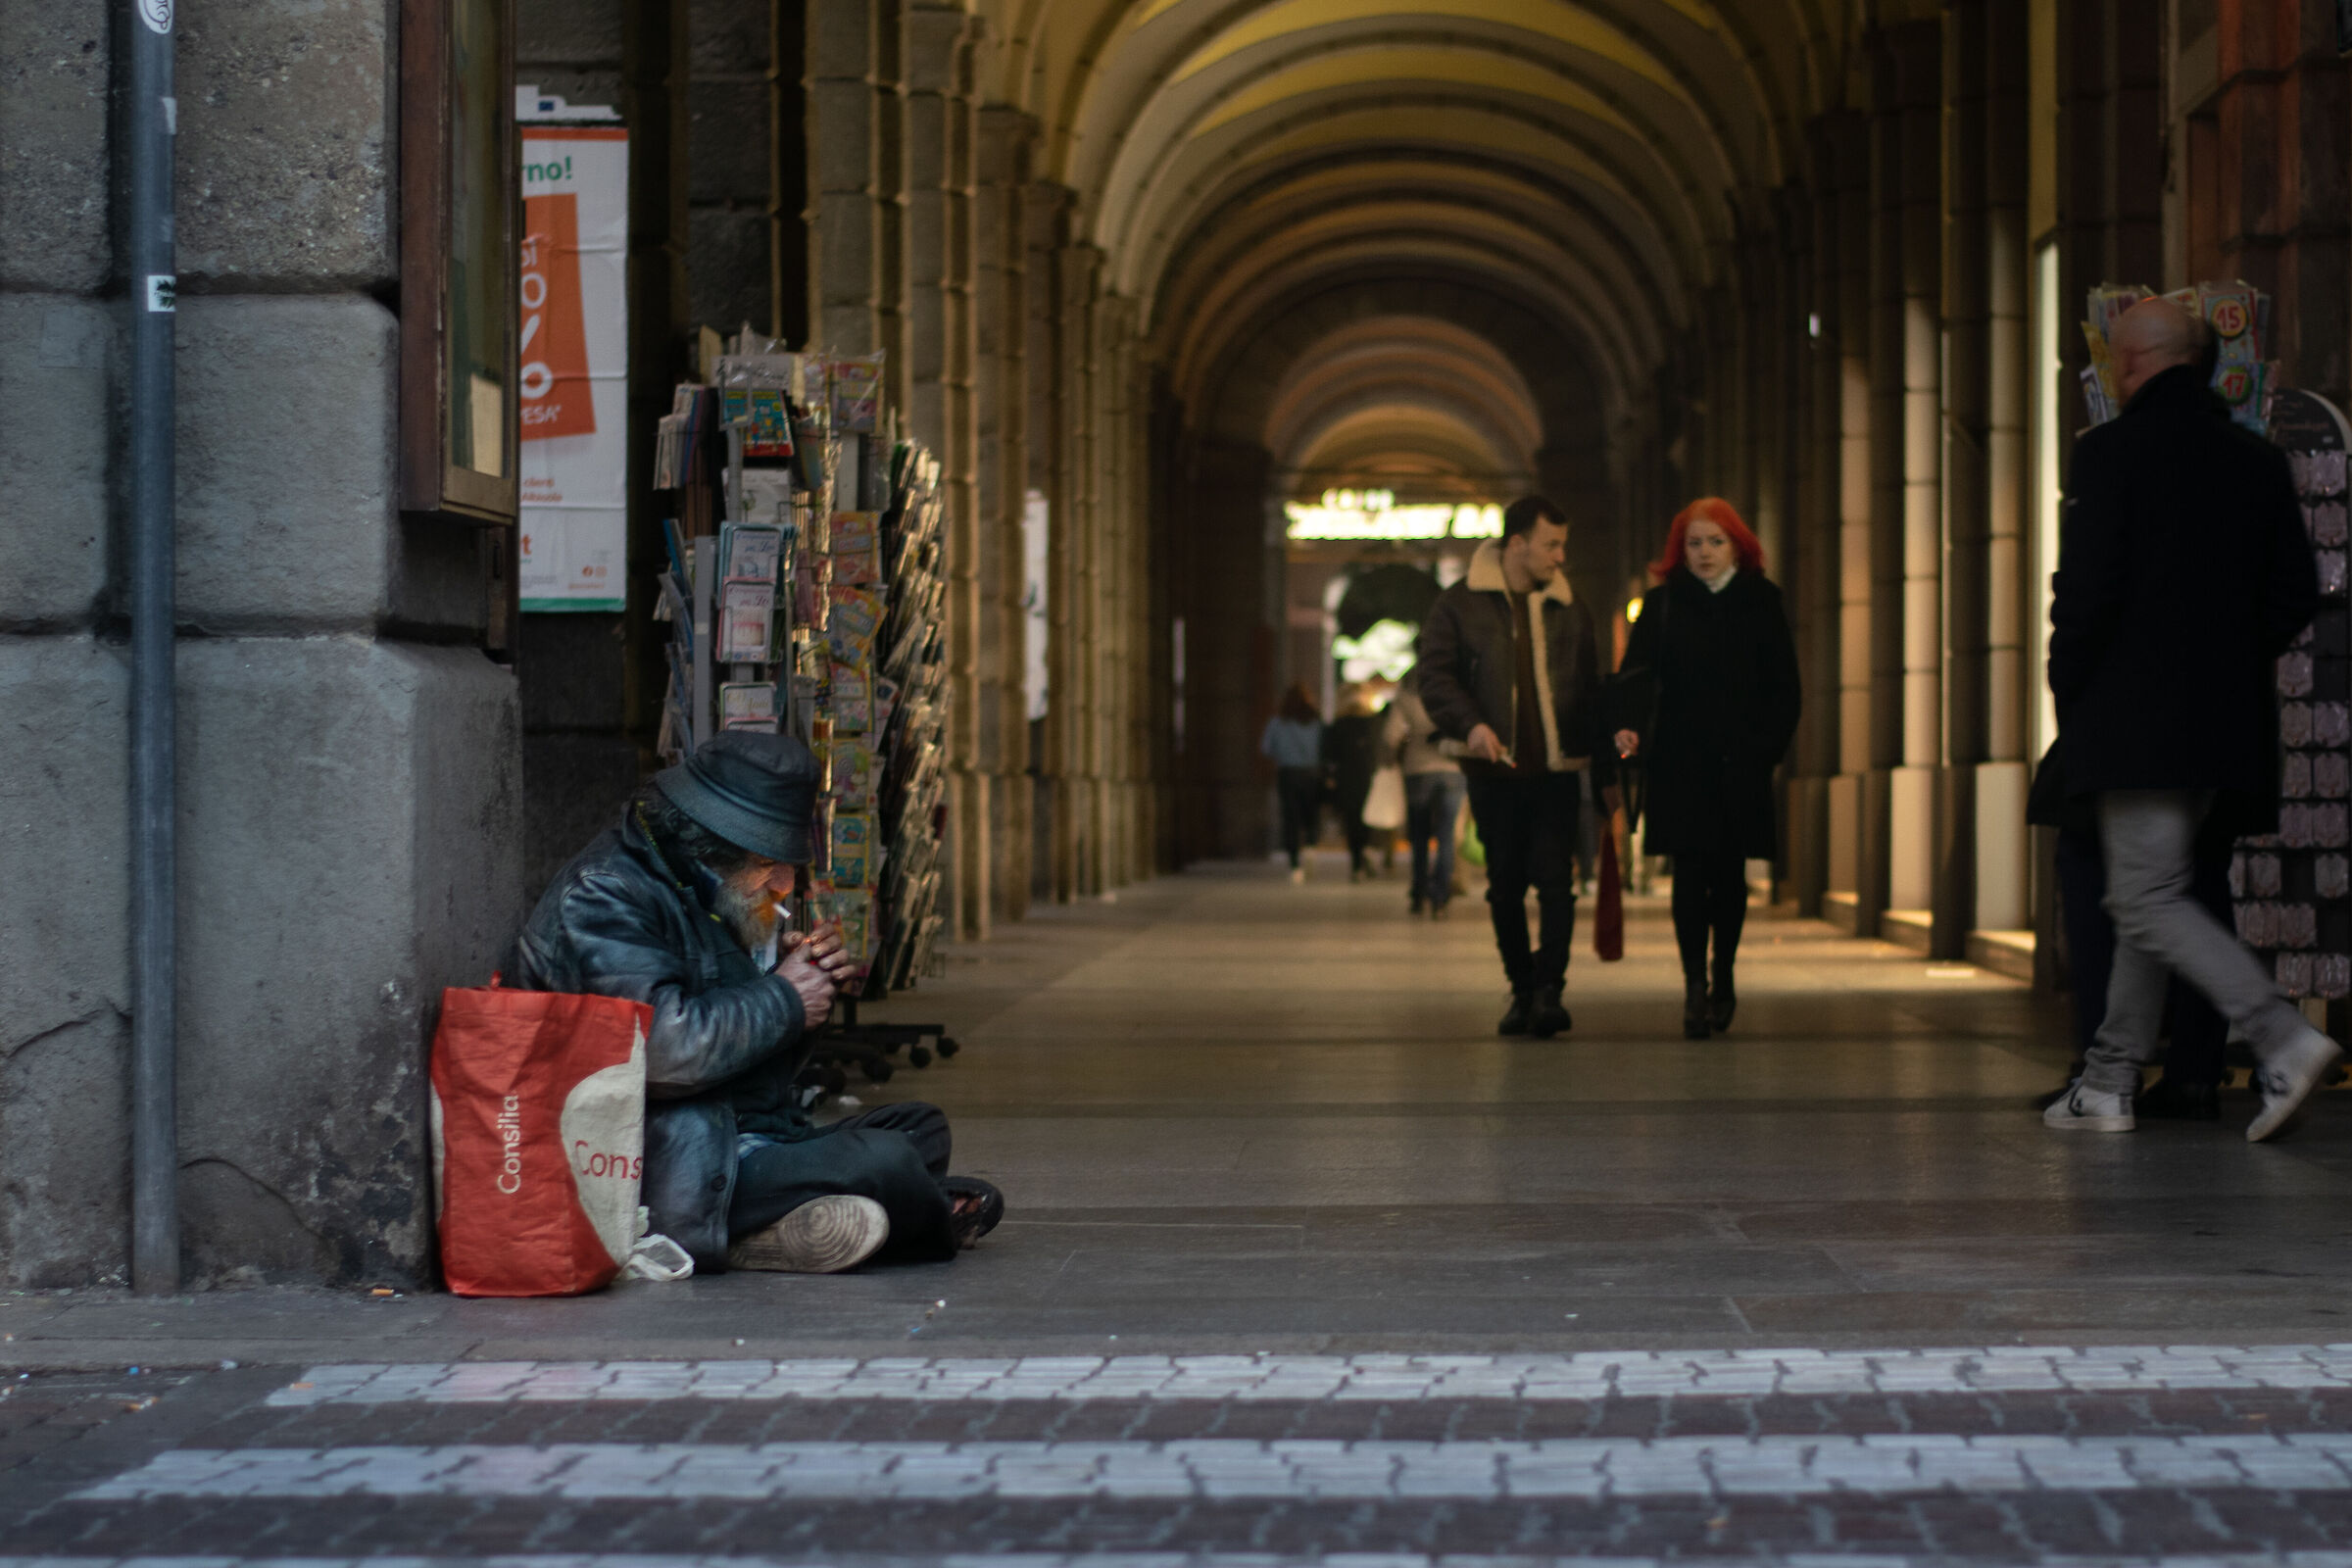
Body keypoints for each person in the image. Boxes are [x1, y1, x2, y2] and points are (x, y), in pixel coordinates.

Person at [501, 731, 1004, 1273]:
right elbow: (662, 1054)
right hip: (674, 1163)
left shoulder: (701, 886)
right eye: (767, 862)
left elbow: (748, 1064)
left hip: (737, 1132)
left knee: (920, 1128)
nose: (784, 885)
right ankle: (760, 1226)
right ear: (709, 845)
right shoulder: (603, 894)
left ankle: (781, 1226)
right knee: (890, 1161)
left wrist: (804, 993)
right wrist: (785, 997)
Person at [2043, 296, 2331, 1142]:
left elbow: (2086, 594)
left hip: (2134, 722)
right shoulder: (2255, 459)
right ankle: (2108, 1081)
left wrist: (2072, 686)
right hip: (2226, 722)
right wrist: (2226, 662)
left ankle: (2282, 1037)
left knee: (2142, 899)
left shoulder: (2110, 455)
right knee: (2158, 889)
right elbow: (2294, 593)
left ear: (2132, 363)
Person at [1418, 495, 1617, 1038]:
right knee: (1504, 886)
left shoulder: (1569, 607)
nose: (1560, 557)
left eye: (1563, 546)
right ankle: (1522, 989)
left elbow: (1590, 688)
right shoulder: (1460, 605)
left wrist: (1608, 755)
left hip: (1557, 769)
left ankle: (1550, 991)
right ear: (1517, 543)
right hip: (1493, 773)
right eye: (1551, 545)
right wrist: (1471, 726)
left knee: (1556, 883)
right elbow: (1435, 676)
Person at [1611, 498, 1801, 1041]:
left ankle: (1725, 974)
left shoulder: (1762, 601)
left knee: (1730, 875)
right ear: (1680, 550)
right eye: (1693, 543)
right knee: (1690, 873)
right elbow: (1635, 677)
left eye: (1716, 541)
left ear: (1738, 546)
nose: (1704, 552)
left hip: (1741, 762)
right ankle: (1695, 983)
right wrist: (1628, 727)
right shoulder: (1663, 604)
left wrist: (1764, 753)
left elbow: (1784, 688)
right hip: (1680, 762)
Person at [2030, 736, 2232, 1120]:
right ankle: (2187, 1074)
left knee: (2135, 896)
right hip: (2210, 748)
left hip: (2129, 748)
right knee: (2193, 883)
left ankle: (2282, 1033)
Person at [1385, 665, 1465, 917]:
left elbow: (1390, 735)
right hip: (1452, 768)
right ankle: (1440, 895)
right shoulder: (1454, 689)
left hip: (1417, 770)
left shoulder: (1408, 693)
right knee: (1446, 835)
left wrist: (1393, 754)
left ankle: (1419, 891)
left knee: (1418, 835)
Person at [1261, 683, 1324, 882]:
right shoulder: (1316, 721)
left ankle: (1295, 865)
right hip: (1311, 774)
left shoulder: (1277, 722)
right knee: (1311, 814)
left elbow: (1266, 748)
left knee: (1291, 818)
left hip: (1288, 773)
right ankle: (1311, 847)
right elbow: (1324, 748)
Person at [1324, 683, 1386, 881]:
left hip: (1347, 779)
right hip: (1370, 777)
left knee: (1352, 821)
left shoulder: (1338, 725)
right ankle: (1367, 852)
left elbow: (1330, 755)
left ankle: (1357, 863)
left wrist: (1330, 778)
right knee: (1370, 818)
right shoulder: (1375, 723)